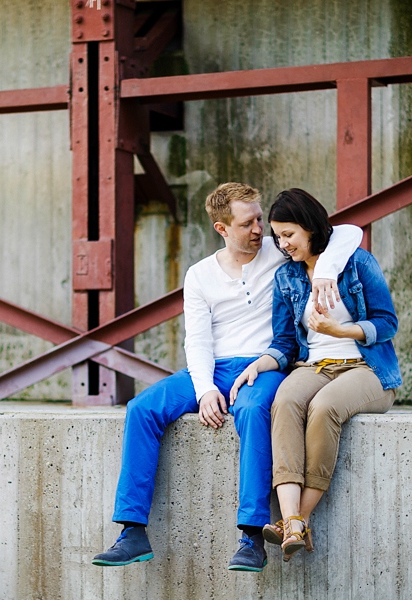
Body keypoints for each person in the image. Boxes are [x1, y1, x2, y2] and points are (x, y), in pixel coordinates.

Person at [92, 182, 363, 571]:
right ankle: (132, 530)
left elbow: (349, 232)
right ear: (222, 229)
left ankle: (252, 537)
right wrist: (204, 392)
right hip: (212, 368)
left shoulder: (278, 251)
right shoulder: (200, 275)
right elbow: (198, 340)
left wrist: (327, 273)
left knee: (253, 412)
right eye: (248, 223)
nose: (259, 229)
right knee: (142, 409)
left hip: (264, 365)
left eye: (259, 218)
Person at [230, 188, 401, 562]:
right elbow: (285, 341)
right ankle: (290, 516)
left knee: (323, 407)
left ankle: (299, 519)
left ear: (309, 227)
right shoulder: (287, 277)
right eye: (277, 236)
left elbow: (388, 323)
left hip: (366, 368)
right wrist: (261, 363)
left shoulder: (357, 263)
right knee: (286, 400)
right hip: (315, 365)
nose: (282, 243)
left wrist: (345, 332)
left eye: (288, 234)